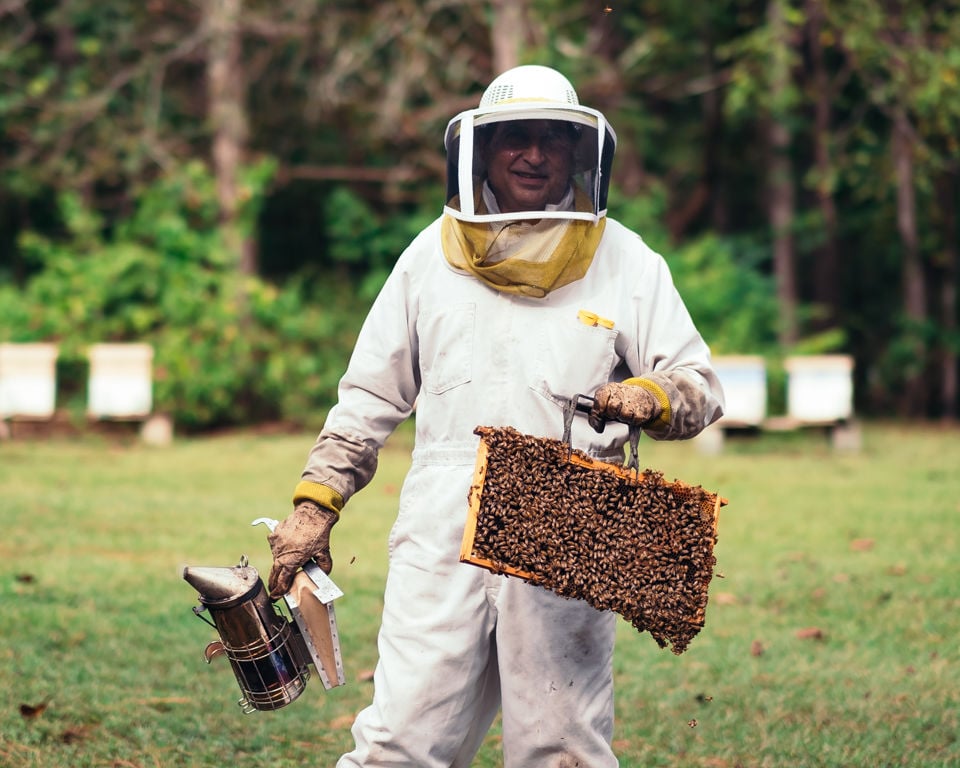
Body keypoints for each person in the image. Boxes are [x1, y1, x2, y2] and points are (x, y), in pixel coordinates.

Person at [267, 64, 725, 767]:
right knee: (401, 740)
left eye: (552, 138)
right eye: (515, 136)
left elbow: (700, 381)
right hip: (441, 519)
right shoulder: (429, 256)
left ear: (580, 153)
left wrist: (653, 396)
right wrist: (314, 504)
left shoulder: (626, 260)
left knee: (561, 743)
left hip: (569, 513)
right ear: (480, 149)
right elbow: (368, 396)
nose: (534, 153)